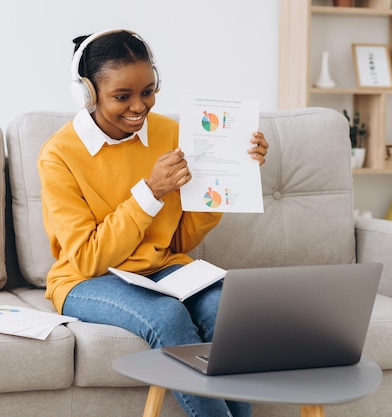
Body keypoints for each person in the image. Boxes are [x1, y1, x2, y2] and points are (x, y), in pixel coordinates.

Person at [37, 29, 268, 417]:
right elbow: (90, 259)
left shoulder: (170, 133)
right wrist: (149, 193)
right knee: (167, 315)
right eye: (122, 96)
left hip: (162, 268)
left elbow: (179, 240)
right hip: (85, 279)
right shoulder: (58, 155)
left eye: (148, 90)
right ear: (88, 94)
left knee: (228, 308)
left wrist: (227, 179)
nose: (139, 106)